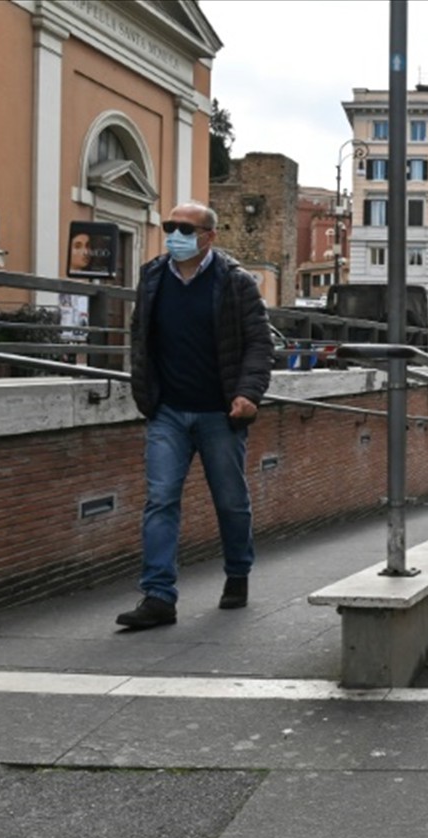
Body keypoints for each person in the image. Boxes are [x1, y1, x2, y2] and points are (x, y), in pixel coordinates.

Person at [114, 202, 274, 630]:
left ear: (209, 237)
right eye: (170, 226)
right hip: (167, 410)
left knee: (230, 501)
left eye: (185, 228)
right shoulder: (152, 278)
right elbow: (140, 338)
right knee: (160, 499)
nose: (174, 234)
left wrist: (248, 392)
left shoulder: (236, 283)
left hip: (219, 412)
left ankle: (237, 572)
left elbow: (259, 344)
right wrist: (145, 394)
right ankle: (158, 596)